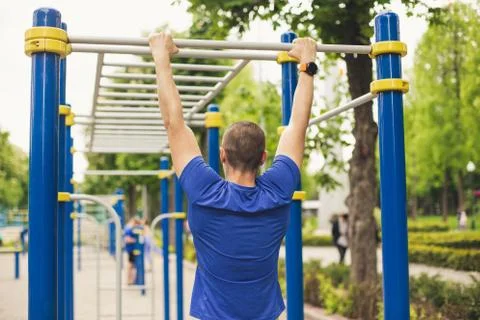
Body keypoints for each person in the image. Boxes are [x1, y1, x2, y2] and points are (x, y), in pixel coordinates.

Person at [149, 33, 317, 320]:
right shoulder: (277, 192)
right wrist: (307, 65)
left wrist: (161, 59)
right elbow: (297, 126)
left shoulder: (205, 192)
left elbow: (173, 122)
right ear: (264, 157)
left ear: (222, 155)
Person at [124, 217, 140, 285]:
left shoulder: (129, 228)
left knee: (132, 265)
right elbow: (127, 239)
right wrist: (136, 241)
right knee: (130, 265)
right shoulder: (129, 229)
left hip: (132, 249)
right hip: (131, 249)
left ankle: (132, 280)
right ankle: (130, 280)